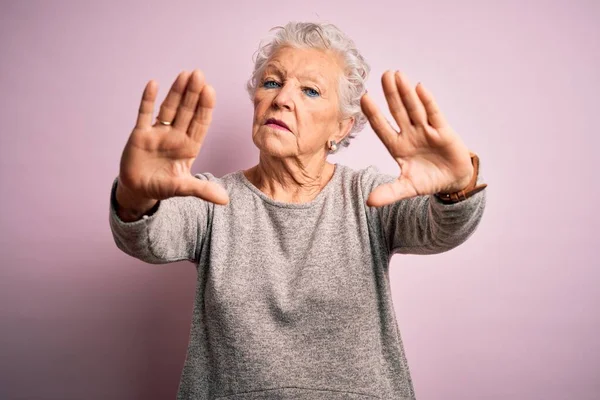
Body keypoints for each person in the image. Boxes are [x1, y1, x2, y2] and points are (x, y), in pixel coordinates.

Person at [109, 21, 487, 400]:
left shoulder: (370, 196)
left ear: (341, 127)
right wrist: (135, 194)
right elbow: (146, 236)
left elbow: (443, 227)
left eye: (309, 90)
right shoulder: (213, 200)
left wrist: (457, 185)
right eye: (272, 82)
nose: (282, 98)